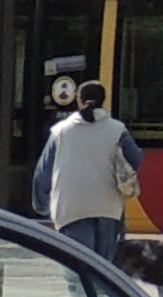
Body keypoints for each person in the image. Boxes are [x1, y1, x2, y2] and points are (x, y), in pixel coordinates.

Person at [34, 78, 140, 262]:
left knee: (77, 271)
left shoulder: (60, 131)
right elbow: (136, 158)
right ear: (103, 101)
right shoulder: (117, 130)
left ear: (79, 100)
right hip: (109, 207)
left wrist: (43, 206)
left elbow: (43, 173)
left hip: (70, 209)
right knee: (104, 272)